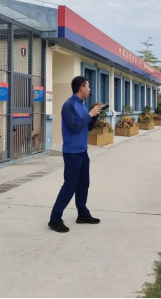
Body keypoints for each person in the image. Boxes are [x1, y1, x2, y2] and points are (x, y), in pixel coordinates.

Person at [49, 76, 103, 233]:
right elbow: (74, 126)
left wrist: (95, 114)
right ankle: (54, 219)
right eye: (88, 86)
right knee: (69, 186)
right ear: (81, 88)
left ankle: (83, 214)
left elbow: (86, 127)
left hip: (82, 151)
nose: (89, 89)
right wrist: (90, 114)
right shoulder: (69, 105)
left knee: (83, 184)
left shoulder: (82, 105)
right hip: (72, 152)